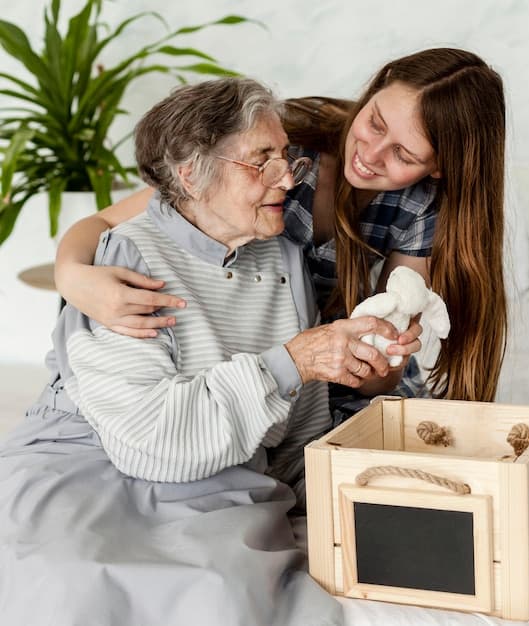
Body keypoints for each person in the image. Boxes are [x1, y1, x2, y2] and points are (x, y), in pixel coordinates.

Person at [0, 77, 408, 625]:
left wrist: (367, 484)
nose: (288, 177)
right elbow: (149, 443)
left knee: (223, 596)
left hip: (224, 475)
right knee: (64, 579)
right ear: (191, 173)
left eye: (286, 157)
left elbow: (298, 429)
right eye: (260, 160)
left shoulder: (282, 258)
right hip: (92, 457)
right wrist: (293, 360)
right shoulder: (128, 258)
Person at [55, 47, 507, 414]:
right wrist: (71, 276)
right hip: (248, 361)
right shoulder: (284, 148)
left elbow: (387, 359)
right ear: (377, 86)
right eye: (374, 123)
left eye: (404, 155)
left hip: (325, 379)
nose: (370, 154)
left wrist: (377, 362)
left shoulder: (421, 208)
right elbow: (115, 221)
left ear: (442, 168)